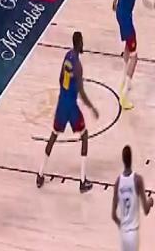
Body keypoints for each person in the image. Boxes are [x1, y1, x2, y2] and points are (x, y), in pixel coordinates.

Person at [36, 31, 99, 193]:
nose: (83, 44)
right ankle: (82, 181)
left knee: (53, 135)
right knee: (84, 136)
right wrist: (92, 108)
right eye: (82, 41)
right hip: (71, 105)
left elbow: (60, 79)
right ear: (79, 43)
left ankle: (40, 174)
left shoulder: (67, 56)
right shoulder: (78, 65)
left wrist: (66, 90)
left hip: (62, 102)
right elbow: (82, 92)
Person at [111, 145, 153, 251]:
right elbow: (146, 210)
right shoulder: (137, 179)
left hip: (123, 233)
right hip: (133, 232)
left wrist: (122, 225)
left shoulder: (118, 182)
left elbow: (113, 215)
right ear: (131, 159)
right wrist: (150, 202)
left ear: (122, 160)